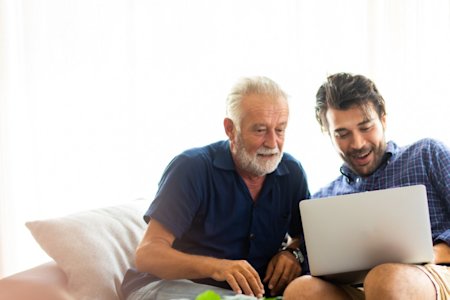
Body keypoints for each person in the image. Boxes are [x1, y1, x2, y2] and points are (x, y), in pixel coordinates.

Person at [121, 76, 310, 300]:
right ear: (230, 129)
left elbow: (306, 236)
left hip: (245, 295)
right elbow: (148, 255)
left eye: (280, 130)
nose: (272, 143)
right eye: (260, 130)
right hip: (166, 286)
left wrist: (292, 253)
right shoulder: (191, 168)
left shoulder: (291, 172)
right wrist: (216, 267)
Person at [283, 72, 450, 300]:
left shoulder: (426, 154)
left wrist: (432, 252)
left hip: (433, 274)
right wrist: (293, 253)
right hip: (359, 287)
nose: (358, 143)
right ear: (328, 134)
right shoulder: (324, 198)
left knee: (384, 279)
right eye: (342, 134)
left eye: (365, 127)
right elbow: (314, 262)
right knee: (300, 291)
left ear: (383, 119)